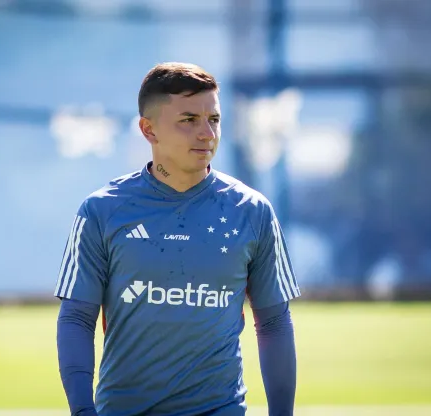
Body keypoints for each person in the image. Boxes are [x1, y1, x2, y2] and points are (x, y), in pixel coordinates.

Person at [55, 62, 300, 416]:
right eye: (188, 120)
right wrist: (82, 410)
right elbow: (77, 318)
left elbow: (274, 322)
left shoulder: (252, 210)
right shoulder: (101, 211)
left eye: (213, 119)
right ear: (148, 129)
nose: (207, 133)